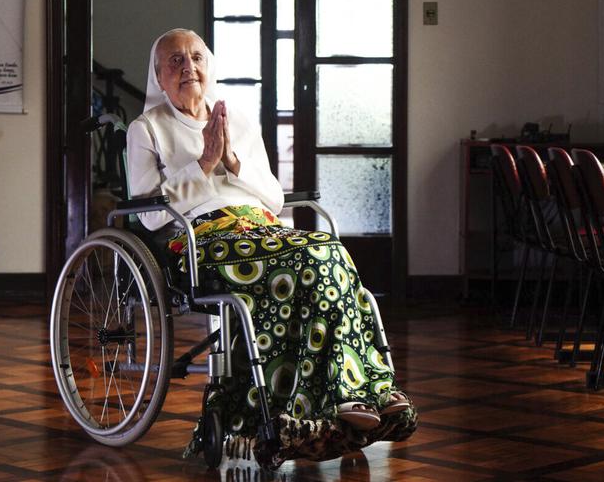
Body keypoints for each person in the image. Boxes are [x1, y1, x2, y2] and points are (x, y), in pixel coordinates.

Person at [126, 29, 413, 459]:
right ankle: (348, 394)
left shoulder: (236, 119)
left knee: (327, 251)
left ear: (210, 65)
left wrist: (232, 161)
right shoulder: (146, 129)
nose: (189, 67)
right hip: (203, 239)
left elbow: (274, 197)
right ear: (158, 76)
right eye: (176, 61)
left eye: (197, 57)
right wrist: (203, 162)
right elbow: (149, 213)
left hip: (260, 229)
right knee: (312, 254)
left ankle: (359, 394)